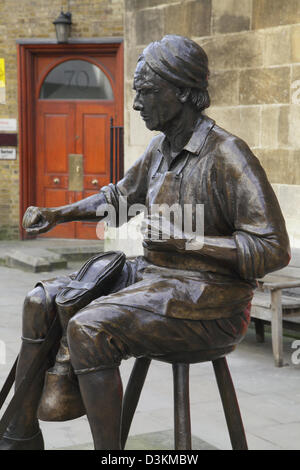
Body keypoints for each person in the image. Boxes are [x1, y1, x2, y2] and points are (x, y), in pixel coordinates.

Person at [0, 35, 290, 450]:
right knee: (39, 300)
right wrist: (58, 213)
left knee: (89, 327)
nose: (137, 104)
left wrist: (188, 242)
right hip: (154, 279)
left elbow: (273, 249)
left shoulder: (228, 155)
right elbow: (118, 197)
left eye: (148, 92)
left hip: (212, 298)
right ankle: (19, 435)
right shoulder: (159, 148)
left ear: (184, 92)